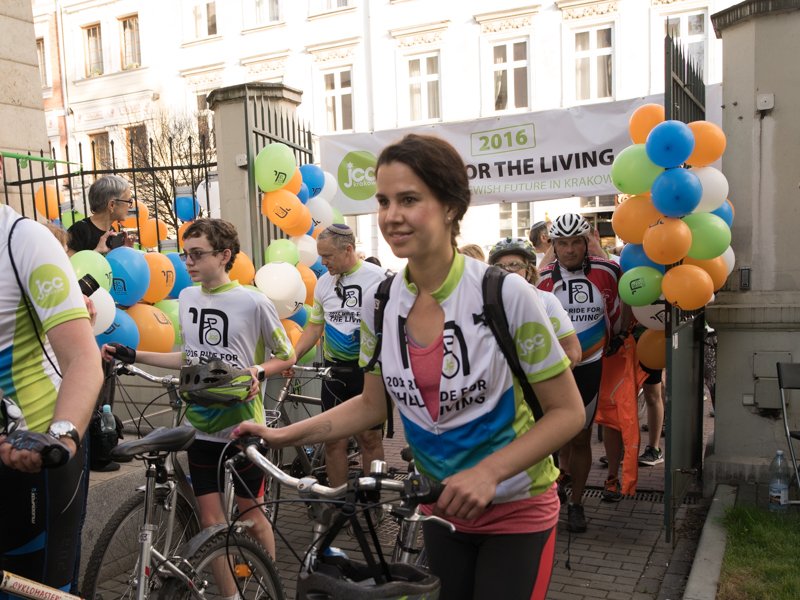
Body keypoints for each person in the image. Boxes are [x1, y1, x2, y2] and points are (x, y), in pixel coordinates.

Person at [235, 134, 585, 600]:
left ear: (450, 207)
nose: (391, 215)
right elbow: (371, 404)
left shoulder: (504, 294)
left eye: (409, 199)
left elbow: (568, 412)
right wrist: (281, 435)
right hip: (439, 508)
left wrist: (489, 472)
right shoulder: (383, 301)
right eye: (383, 201)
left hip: (516, 510)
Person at [101, 219, 294, 566]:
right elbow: (190, 358)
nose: (188, 262)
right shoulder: (188, 297)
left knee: (252, 516)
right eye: (185, 254)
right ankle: (230, 592)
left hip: (242, 425)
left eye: (197, 254)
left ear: (224, 255)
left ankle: (270, 583)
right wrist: (134, 354)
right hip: (199, 426)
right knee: (210, 523)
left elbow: (286, 355)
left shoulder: (254, 301)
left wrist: (258, 371)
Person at [0, 203, 103, 595]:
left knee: (36, 589)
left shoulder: (23, 240)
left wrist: (61, 437)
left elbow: (83, 359)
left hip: (34, 452)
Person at [537, 213, 624, 533]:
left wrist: (612, 340)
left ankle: (576, 503)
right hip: (554, 369)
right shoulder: (542, 279)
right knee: (549, 436)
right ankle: (553, 489)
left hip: (590, 365)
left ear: (587, 243)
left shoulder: (607, 271)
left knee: (581, 437)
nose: (570, 249)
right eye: (563, 243)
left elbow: (617, 314)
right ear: (553, 245)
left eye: (577, 242)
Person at [291, 223, 387, 487]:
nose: (323, 262)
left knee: (369, 438)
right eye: (320, 256)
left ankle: (370, 500)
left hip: (368, 373)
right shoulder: (324, 283)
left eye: (328, 256)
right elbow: (314, 326)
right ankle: (337, 500)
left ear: (348, 250)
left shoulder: (379, 278)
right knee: (333, 440)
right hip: (334, 372)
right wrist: (294, 356)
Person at [487, 237, 581, 370]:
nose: (506, 270)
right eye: (499, 267)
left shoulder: (546, 300)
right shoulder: (484, 303)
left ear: (529, 271)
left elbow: (572, 354)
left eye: (514, 264)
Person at [66, 174, 131, 256]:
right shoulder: (79, 230)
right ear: (112, 205)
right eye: (129, 201)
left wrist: (125, 250)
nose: (130, 206)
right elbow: (68, 262)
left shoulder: (112, 232)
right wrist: (96, 252)